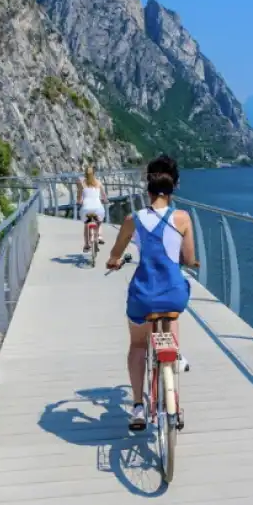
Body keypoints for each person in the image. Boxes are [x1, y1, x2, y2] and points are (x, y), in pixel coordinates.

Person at [106, 155, 198, 431]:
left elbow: (115, 253)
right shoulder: (182, 218)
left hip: (143, 295)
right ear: (173, 189)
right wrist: (189, 261)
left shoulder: (133, 219)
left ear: (147, 189)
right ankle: (174, 370)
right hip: (172, 295)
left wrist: (113, 260)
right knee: (176, 300)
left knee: (137, 345)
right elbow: (189, 257)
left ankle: (137, 406)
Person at [77, 166, 107, 252]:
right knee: (99, 221)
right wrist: (105, 200)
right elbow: (104, 196)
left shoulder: (82, 183)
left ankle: (87, 244)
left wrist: (79, 201)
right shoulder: (98, 182)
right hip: (98, 208)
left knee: (86, 224)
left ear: (85, 174)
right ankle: (100, 236)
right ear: (94, 174)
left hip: (86, 208)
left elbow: (79, 197)